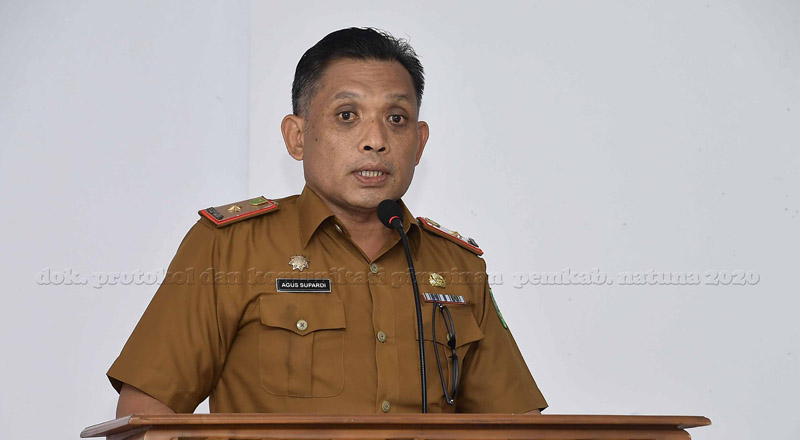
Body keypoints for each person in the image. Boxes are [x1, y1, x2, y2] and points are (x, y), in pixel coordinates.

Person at [109, 28, 547, 417]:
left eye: (396, 119)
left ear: (418, 143)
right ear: (297, 137)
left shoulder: (457, 267)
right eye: (347, 116)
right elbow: (145, 415)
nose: (375, 140)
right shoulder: (228, 248)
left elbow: (522, 439)